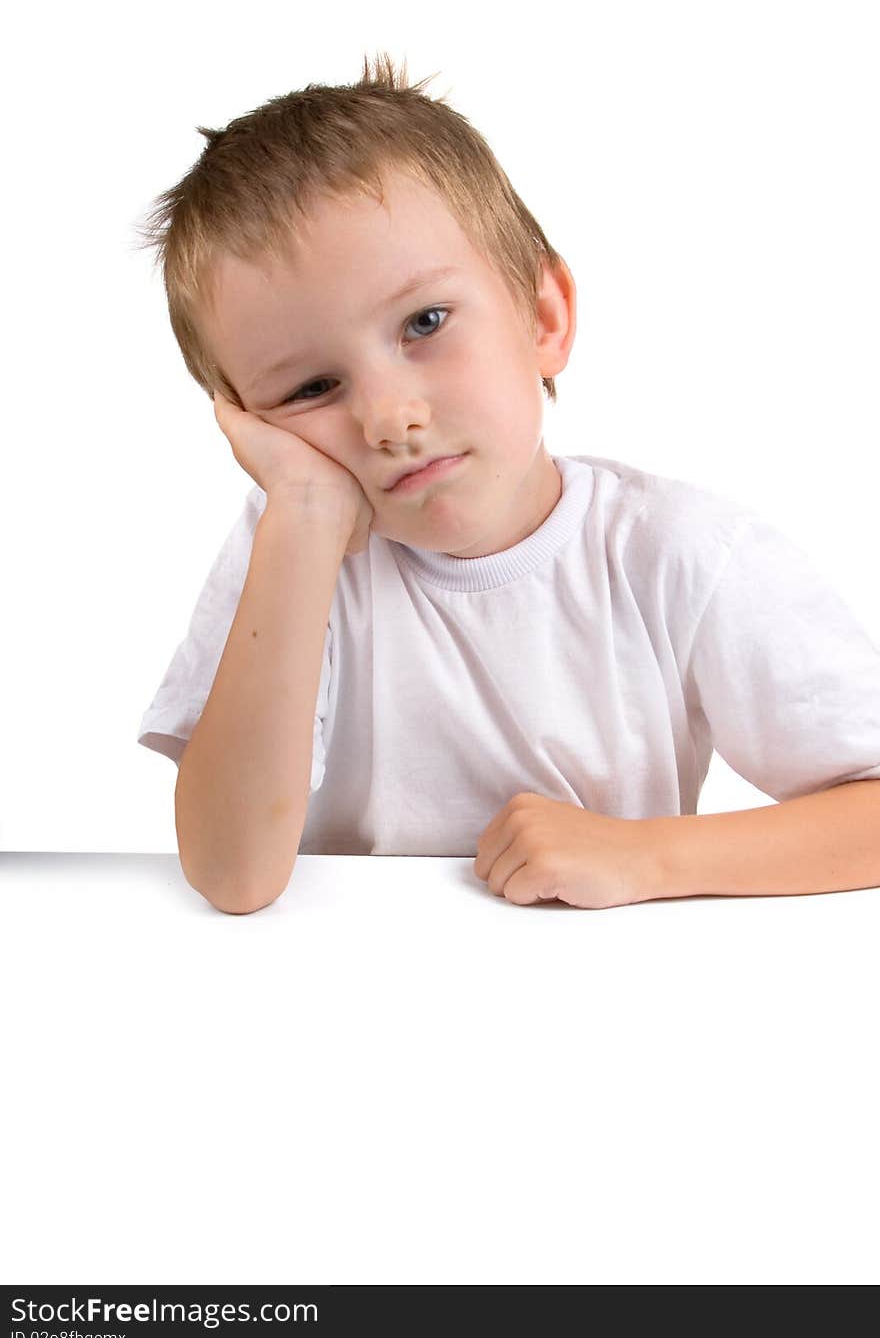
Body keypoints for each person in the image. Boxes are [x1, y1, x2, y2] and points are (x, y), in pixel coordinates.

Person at [135, 52, 880, 914]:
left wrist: (649, 857)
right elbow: (233, 874)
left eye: (424, 323)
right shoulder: (291, 550)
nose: (387, 416)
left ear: (544, 317)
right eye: (311, 389)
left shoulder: (682, 555)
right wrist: (300, 512)